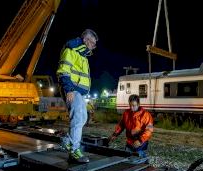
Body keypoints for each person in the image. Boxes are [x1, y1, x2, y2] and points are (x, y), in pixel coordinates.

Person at [56, 29, 98, 163]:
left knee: (84, 117)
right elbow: (63, 71)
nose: (94, 46)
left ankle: (67, 141)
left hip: (78, 91)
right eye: (93, 43)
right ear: (86, 40)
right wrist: (68, 89)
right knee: (78, 117)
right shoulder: (71, 50)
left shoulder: (82, 55)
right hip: (72, 89)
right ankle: (74, 150)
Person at [108, 94, 154, 158]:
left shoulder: (146, 115)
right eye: (130, 105)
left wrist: (140, 140)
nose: (131, 108)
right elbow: (121, 125)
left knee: (139, 160)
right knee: (127, 160)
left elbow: (149, 130)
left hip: (141, 143)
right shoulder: (126, 113)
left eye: (133, 105)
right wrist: (115, 134)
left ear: (138, 104)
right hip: (129, 142)